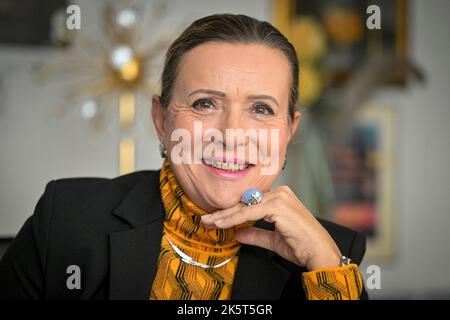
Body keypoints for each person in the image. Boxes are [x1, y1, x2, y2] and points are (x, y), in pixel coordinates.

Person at [0, 14, 367, 300]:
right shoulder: (65, 219)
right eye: (205, 103)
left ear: (290, 129)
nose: (231, 135)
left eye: (261, 108)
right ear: (161, 119)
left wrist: (328, 272)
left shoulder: (333, 255)